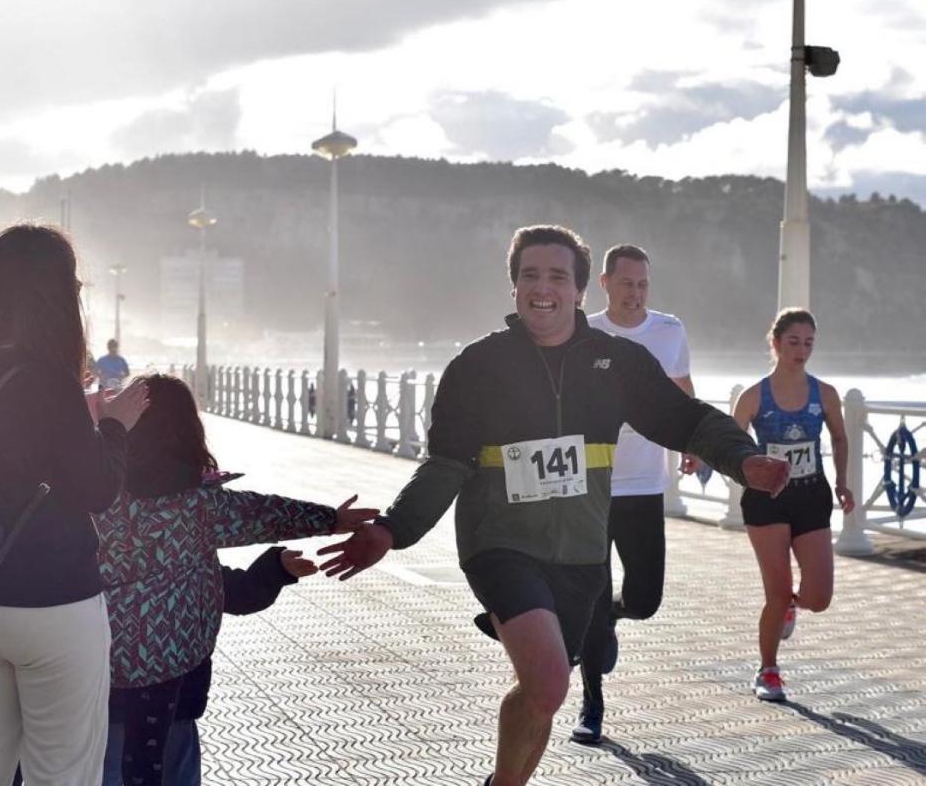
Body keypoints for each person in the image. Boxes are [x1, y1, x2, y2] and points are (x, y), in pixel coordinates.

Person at [318, 225, 791, 785]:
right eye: (530, 276)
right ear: (514, 286)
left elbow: (685, 418)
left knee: (545, 691)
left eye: (557, 277)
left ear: (580, 291)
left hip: (583, 551)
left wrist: (743, 460)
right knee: (547, 680)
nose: (542, 288)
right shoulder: (478, 366)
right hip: (501, 543)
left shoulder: (618, 362)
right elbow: (446, 464)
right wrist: (394, 530)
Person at [0, 223, 147, 785]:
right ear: (58, 294)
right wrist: (115, 427)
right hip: (52, 603)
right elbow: (96, 489)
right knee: (62, 772)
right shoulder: (50, 380)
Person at [95, 374, 374, 786]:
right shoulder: (201, 508)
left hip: (94, 680)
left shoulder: (95, 502)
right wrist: (330, 520)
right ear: (189, 432)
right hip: (175, 689)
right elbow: (266, 513)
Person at [573, 244, 698, 743]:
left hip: (645, 485)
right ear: (605, 283)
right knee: (592, 595)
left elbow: (683, 386)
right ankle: (591, 706)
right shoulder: (586, 332)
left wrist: (693, 440)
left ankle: (612, 619)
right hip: (592, 485)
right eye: (627, 283)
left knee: (645, 598)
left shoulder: (669, 331)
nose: (636, 293)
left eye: (643, 284)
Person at [732, 308, 854, 703]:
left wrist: (842, 481)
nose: (801, 350)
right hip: (767, 501)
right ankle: (768, 670)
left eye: (809, 343)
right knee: (777, 591)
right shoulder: (754, 396)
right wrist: (743, 470)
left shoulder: (825, 394)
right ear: (776, 343)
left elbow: (838, 438)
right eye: (793, 342)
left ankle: (792, 608)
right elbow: (732, 447)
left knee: (819, 598)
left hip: (810, 496)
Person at [162, 546, 317, 786]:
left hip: (174, 701)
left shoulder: (187, 547)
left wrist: (276, 567)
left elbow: (237, 592)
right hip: (114, 703)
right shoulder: (100, 548)